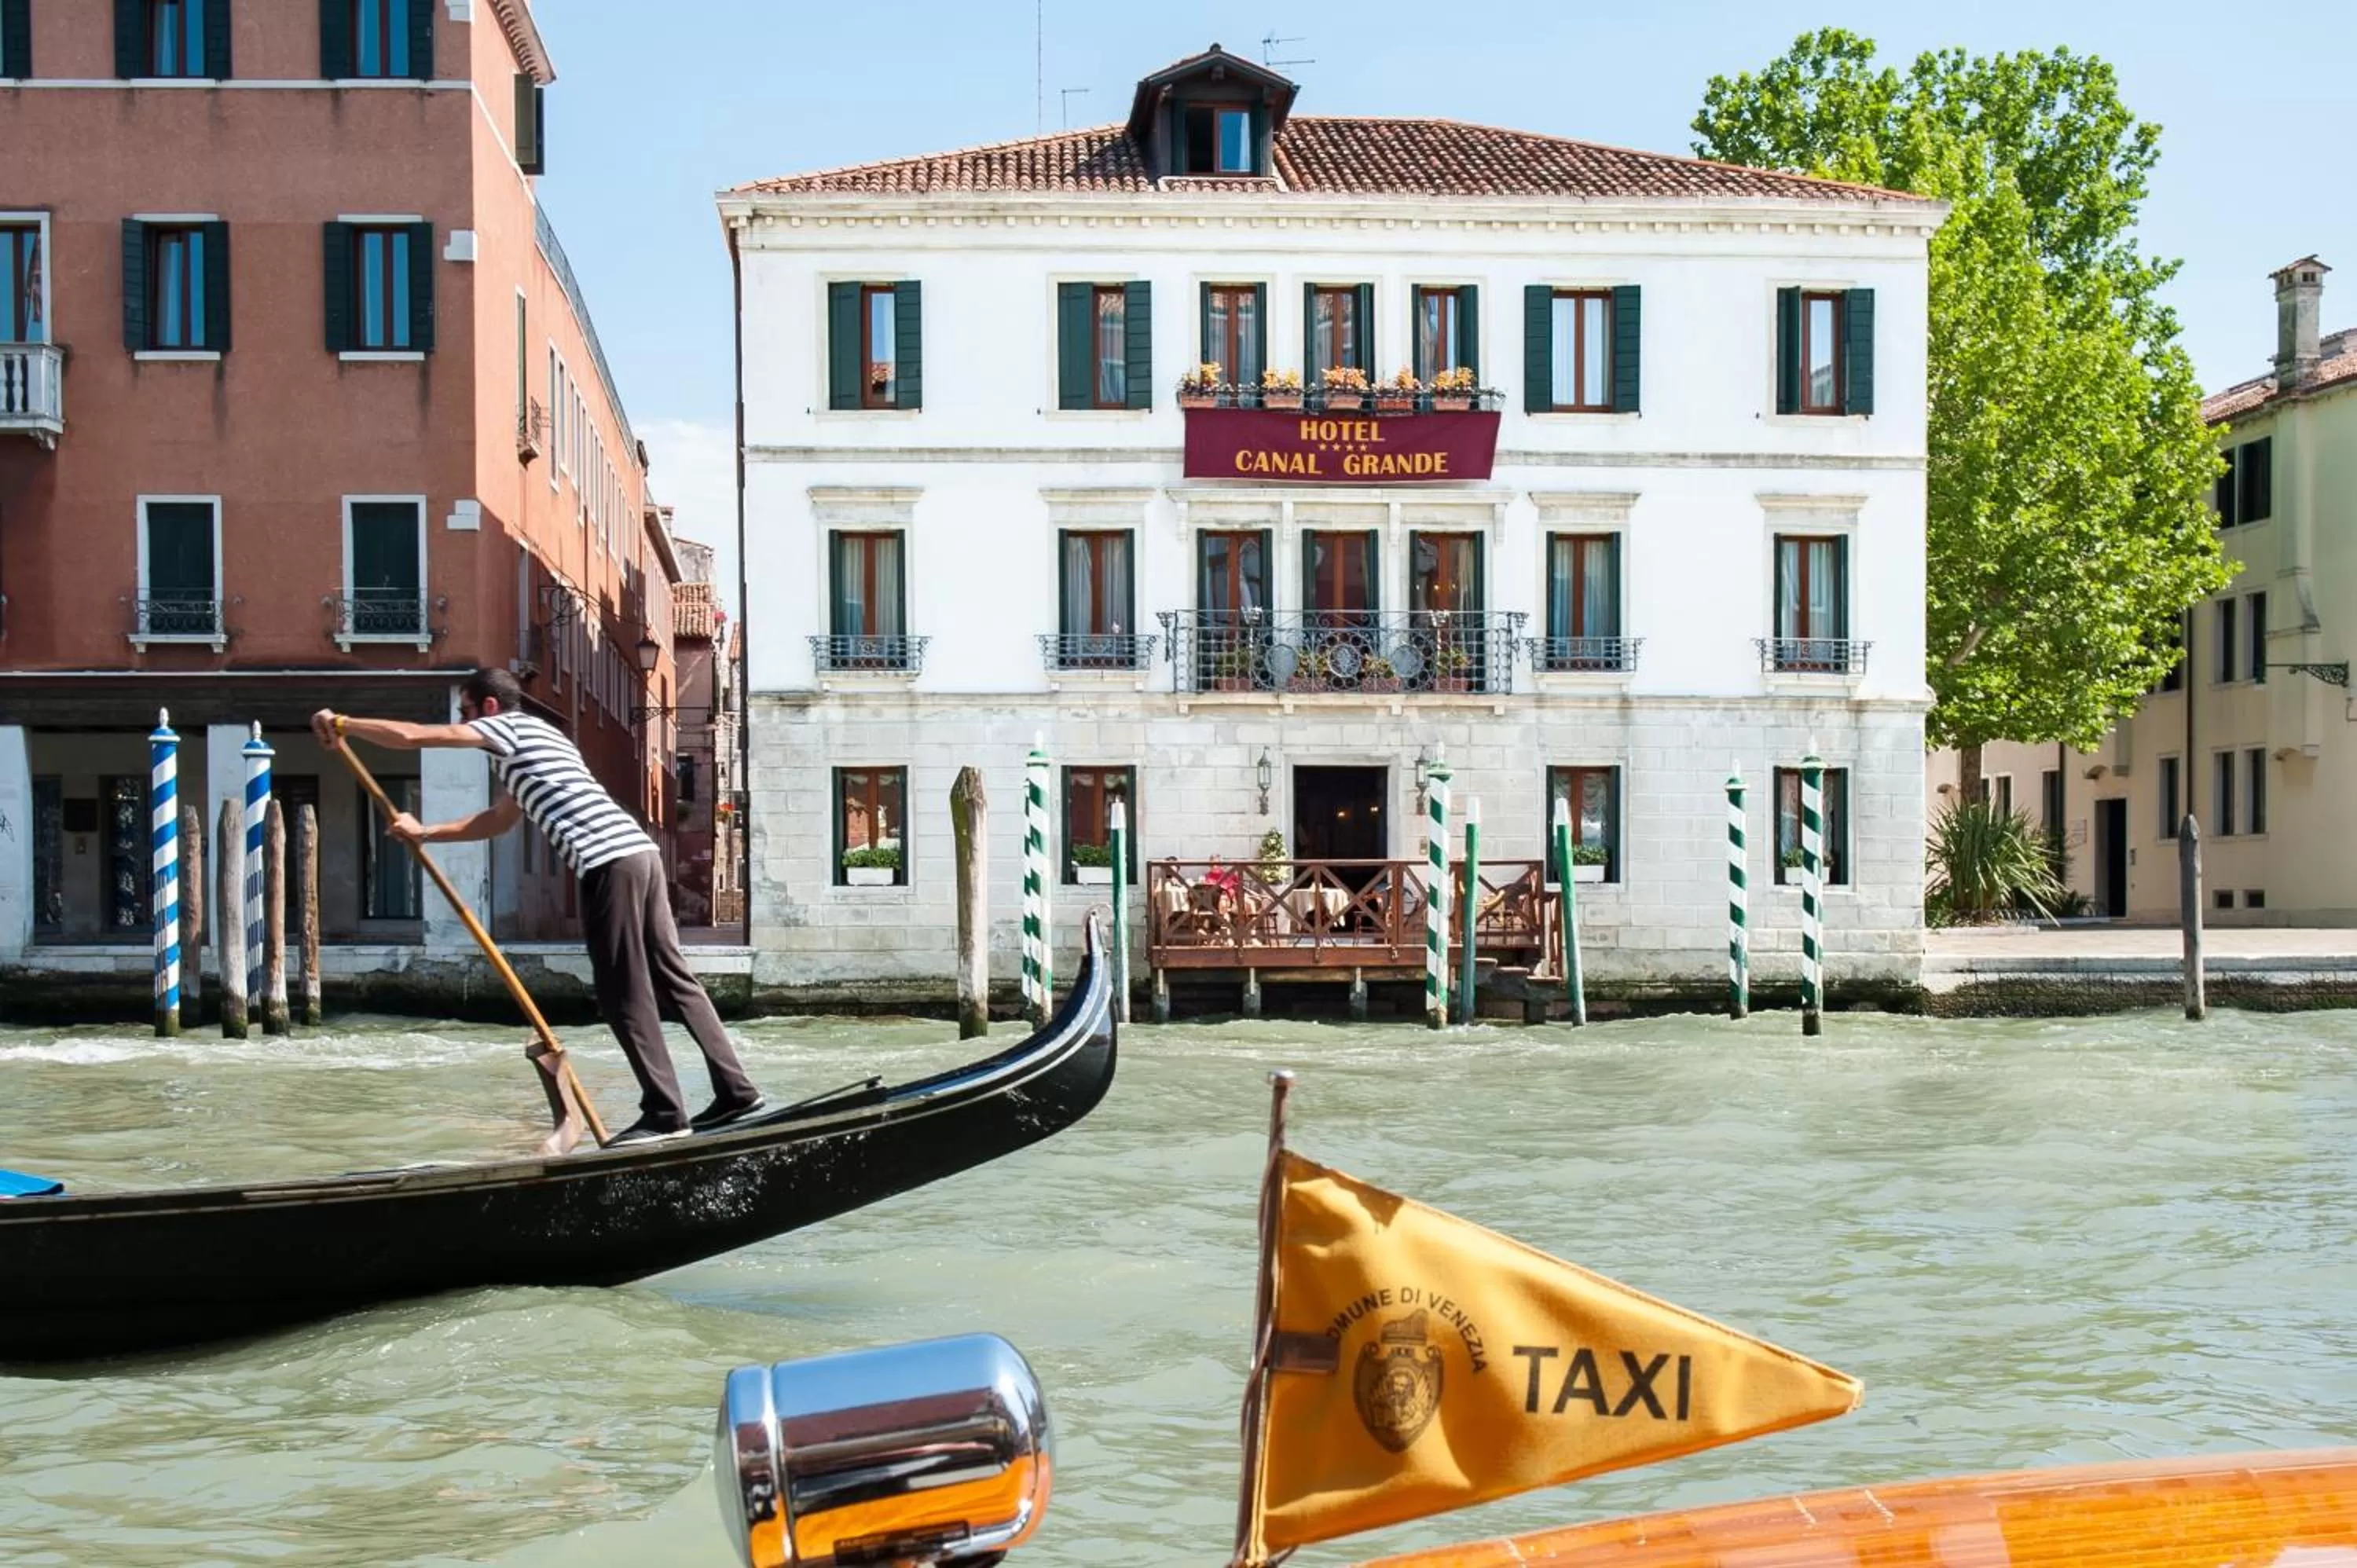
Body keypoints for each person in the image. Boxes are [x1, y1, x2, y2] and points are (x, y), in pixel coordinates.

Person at [314, 669, 765, 1146]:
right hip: (640, 854)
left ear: (489, 707)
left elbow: (414, 736)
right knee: (674, 981)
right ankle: (737, 1090)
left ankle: (665, 1113)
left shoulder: (505, 728)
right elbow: (498, 820)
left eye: (465, 711)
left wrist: (343, 723)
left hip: (606, 861)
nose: (462, 721)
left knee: (622, 993)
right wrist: (426, 832)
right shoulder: (538, 741)